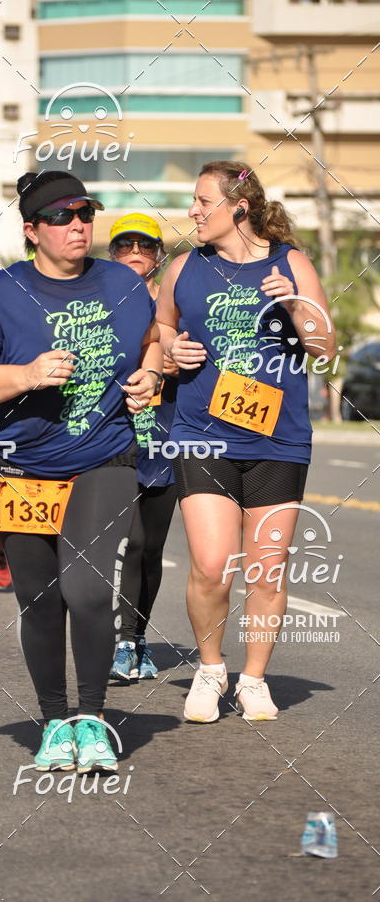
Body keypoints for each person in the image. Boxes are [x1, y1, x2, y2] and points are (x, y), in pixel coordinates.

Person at [0, 170, 162, 771]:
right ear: (32, 230)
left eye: (85, 214)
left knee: (88, 590)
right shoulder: (1, 293)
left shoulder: (122, 282)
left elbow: (152, 338)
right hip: (20, 466)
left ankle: (92, 719)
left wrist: (152, 372)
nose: (78, 226)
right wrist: (24, 376)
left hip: (105, 456)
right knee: (40, 600)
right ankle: (53, 722)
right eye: (63, 217)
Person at [156, 160, 336, 722]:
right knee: (212, 566)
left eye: (202, 201)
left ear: (238, 208)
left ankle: (253, 678)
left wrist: (295, 307)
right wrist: (169, 353)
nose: (192, 211)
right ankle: (211, 669)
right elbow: (162, 325)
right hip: (201, 434)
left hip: (277, 440)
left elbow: (325, 347)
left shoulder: (292, 263)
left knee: (267, 568)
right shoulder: (184, 267)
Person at [107, 214, 178, 681]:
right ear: (112, 254)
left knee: (148, 548)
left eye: (145, 246)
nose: (135, 252)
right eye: (125, 245)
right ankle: (116, 639)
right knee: (120, 545)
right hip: (112, 438)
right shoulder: (102, 299)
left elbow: (180, 355)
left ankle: (137, 639)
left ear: (158, 256)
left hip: (166, 436)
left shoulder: (172, 304)